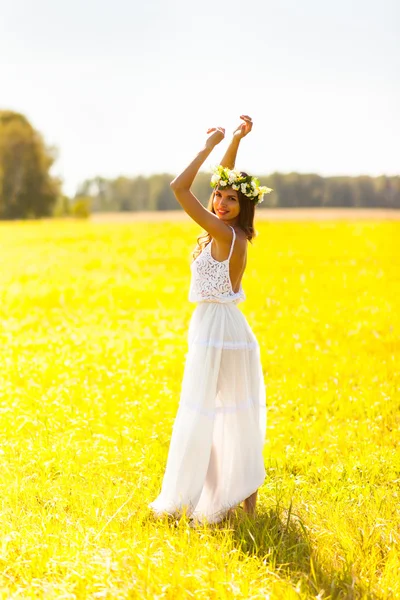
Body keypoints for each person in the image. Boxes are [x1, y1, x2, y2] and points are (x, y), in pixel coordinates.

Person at [148, 115, 272, 525]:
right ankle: (236, 503)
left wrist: (206, 147)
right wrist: (235, 140)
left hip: (220, 331)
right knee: (226, 412)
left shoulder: (224, 234)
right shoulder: (229, 231)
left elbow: (178, 188)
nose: (220, 202)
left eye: (230, 199)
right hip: (219, 327)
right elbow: (228, 178)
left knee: (221, 412)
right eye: (218, 195)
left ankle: (220, 501)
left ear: (244, 206)